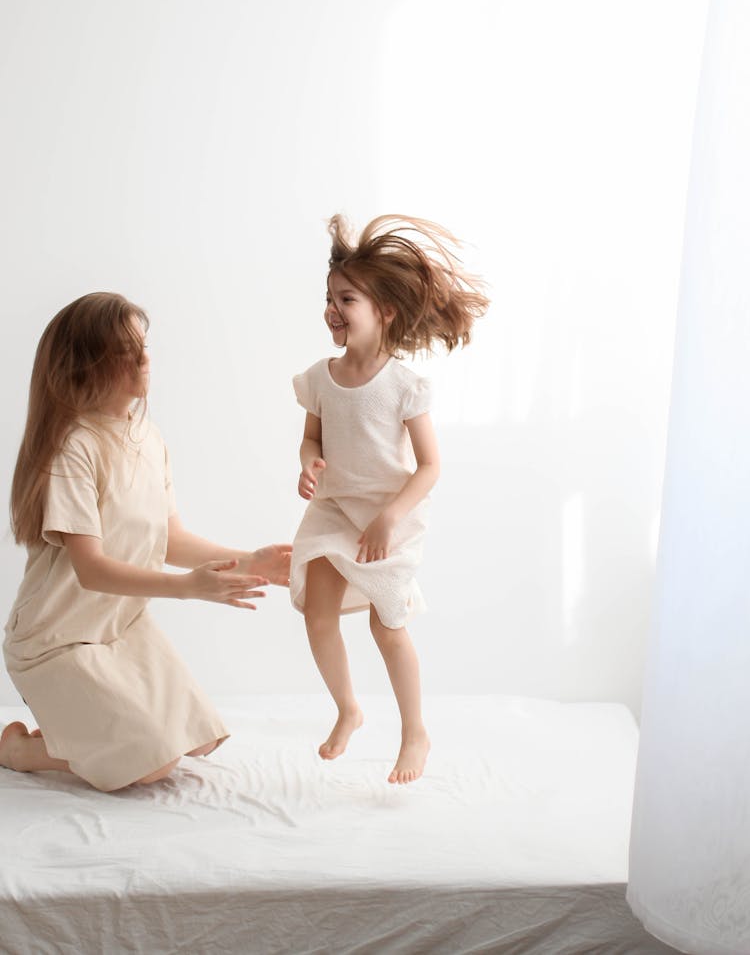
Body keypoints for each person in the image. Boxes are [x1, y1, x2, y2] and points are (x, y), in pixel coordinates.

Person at [0, 292, 291, 792]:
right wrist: (188, 589)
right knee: (152, 764)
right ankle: (21, 750)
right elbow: (92, 569)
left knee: (197, 740)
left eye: (143, 345)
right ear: (84, 365)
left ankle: (79, 727)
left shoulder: (147, 438)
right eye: (124, 349)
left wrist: (250, 560)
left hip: (119, 630)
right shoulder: (74, 448)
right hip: (55, 642)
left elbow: (170, 538)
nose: (143, 359)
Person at [291, 214, 489, 784]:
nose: (332, 309)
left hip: (389, 517)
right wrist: (309, 467)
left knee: (387, 627)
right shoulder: (319, 378)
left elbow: (429, 466)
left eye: (346, 298)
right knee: (318, 615)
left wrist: (389, 518)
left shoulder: (404, 385)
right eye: (329, 297)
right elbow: (311, 439)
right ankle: (348, 709)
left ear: (385, 312)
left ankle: (414, 732)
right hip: (334, 509)